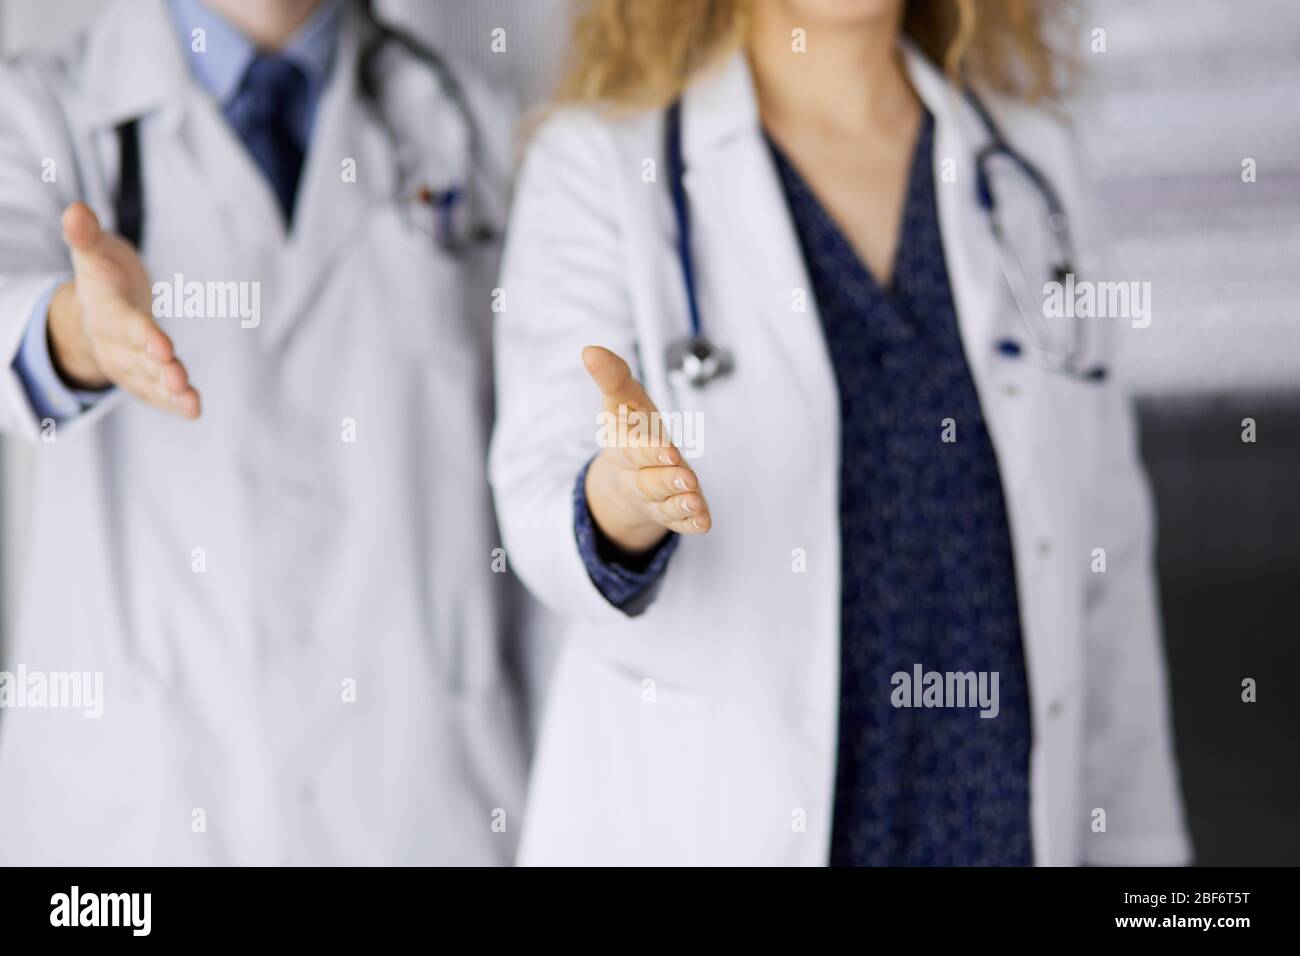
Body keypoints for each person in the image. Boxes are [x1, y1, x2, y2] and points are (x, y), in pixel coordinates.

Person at [490, 0, 1191, 865]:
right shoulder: (599, 166)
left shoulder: (1031, 171)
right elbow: (538, 487)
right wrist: (622, 501)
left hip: (998, 828)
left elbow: (1105, 571)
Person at [0, 0, 527, 864]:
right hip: (145, 825)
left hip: (421, 804)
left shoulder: (471, 125)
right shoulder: (37, 111)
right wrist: (72, 333)